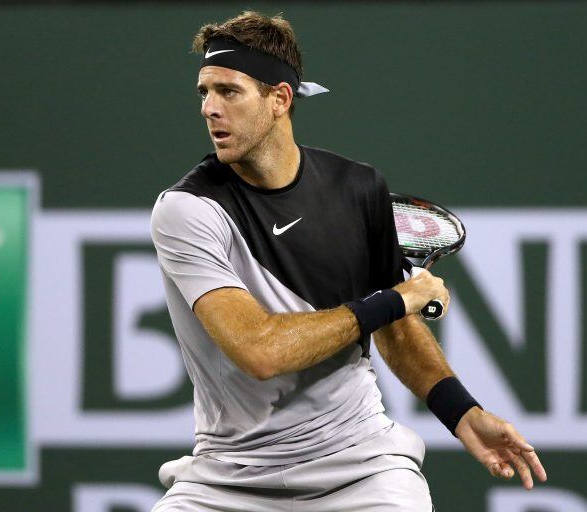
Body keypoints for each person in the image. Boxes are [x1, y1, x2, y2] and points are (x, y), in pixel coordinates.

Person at [150, 11, 546, 511]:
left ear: (280, 100)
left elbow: (397, 332)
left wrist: (463, 413)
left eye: (229, 91)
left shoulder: (358, 189)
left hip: (361, 469)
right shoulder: (187, 210)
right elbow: (259, 351)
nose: (209, 108)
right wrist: (395, 300)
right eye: (204, 92)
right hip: (227, 478)